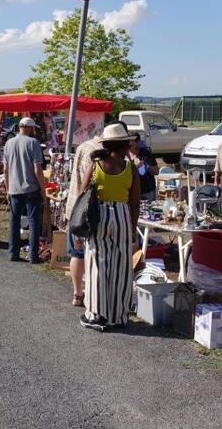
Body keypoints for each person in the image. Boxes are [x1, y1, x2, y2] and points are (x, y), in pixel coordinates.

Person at [79, 123, 140, 331]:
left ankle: (97, 314)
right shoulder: (130, 168)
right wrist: (132, 228)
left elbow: (83, 193)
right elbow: (135, 202)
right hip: (122, 215)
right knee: (122, 266)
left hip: (100, 217)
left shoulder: (96, 165)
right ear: (123, 145)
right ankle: (119, 315)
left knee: (98, 264)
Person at [65, 135, 102, 307]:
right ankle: (92, 294)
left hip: (74, 206)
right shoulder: (100, 153)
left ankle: (77, 294)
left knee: (76, 253)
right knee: (90, 253)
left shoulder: (83, 146)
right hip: (87, 211)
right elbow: (90, 185)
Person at [3, 117, 46, 263]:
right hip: (31, 188)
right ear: (28, 127)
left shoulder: (9, 143)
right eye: (33, 128)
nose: (34, 131)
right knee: (33, 222)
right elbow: (37, 169)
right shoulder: (33, 143)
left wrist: (8, 188)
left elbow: (5, 168)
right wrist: (43, 190)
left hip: (14, 188)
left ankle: (13, 253)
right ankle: (33, 256)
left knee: (14, 221)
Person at [129, 133, 158, 201]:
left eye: (131, 144)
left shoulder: (145, 153)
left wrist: (146, 166)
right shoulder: (124, 155)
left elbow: (156, 171)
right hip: (130, 192)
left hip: (146, 192)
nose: (128, 145)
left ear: (137, 143)